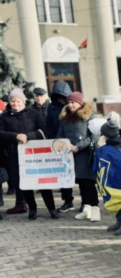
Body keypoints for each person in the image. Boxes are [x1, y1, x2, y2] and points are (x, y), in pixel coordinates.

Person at [0, 88, 55, 219]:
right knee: (24, 183)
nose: (15, 104)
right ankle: (32, 209)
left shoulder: (34, 113)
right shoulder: (5, 116)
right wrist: (15, 136)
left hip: (36, 154)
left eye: (17, 101)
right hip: (15, 155)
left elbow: (44, 131)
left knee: (42, 182)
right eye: (12, 101)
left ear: (23, 101)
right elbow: (0, 133)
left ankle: (52, 209)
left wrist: (27, 136)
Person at [56, 92, 100, 222]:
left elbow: (95, 136)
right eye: (68, 102)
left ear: (80, 103)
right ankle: (86, 209)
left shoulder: (89, 116)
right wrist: (62, 145)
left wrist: (78, 146)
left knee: (89, 182)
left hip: (87, 154)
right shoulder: (65, 118)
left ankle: (95, 209)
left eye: (73, 102)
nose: (70, 105)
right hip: (71, 155)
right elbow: (60, 134)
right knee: (81, 181)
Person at [46, 81, 74, 213]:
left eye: (64, 97)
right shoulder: (51, 108)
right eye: (59, 97)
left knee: (80, 176)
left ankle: (87, 202)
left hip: (72, 144)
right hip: (57, 144)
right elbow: (49, 125)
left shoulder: (72, 106)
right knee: (63, 174)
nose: (62, 100)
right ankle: (68, 201)